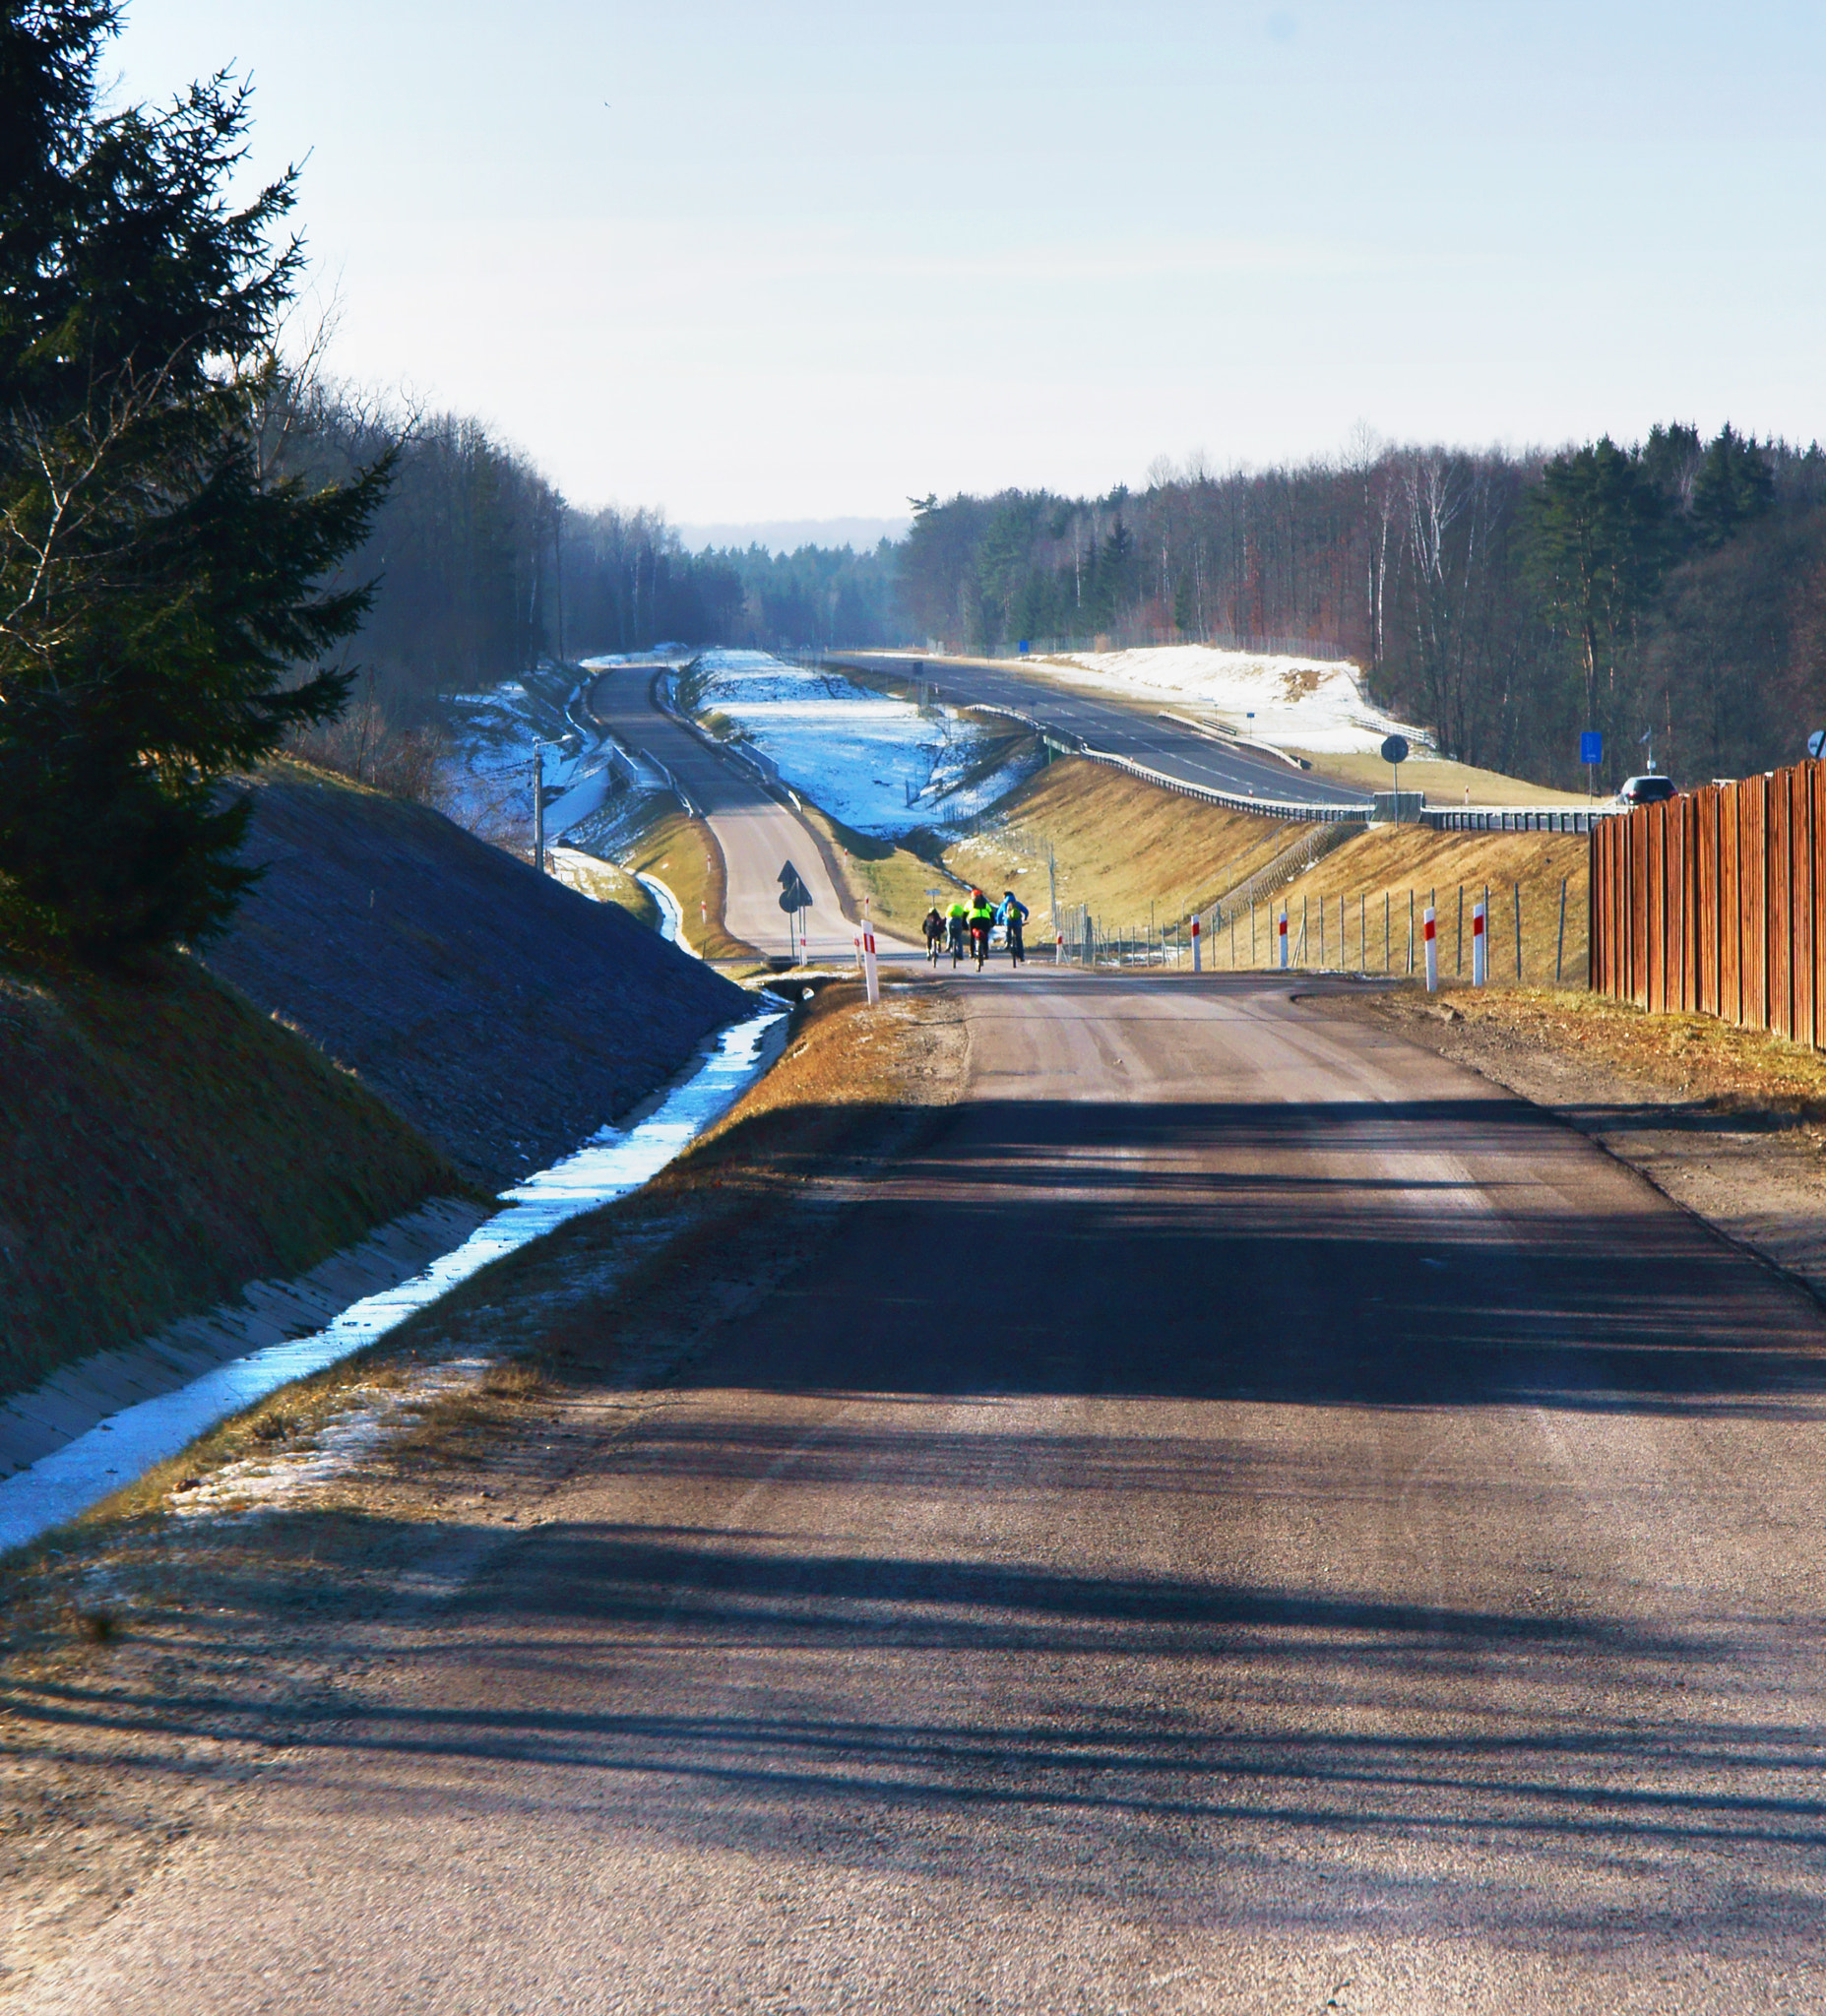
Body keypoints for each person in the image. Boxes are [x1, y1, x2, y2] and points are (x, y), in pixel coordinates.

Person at [997, 888, 1029, 966]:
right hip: (1018, 923)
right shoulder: (1017, 903)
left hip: (1008, 922)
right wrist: (1025, 918)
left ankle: (1007, 942)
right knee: (1018, 939)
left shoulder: (1004, 904)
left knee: (1008, 931)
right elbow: (1026, 911)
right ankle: (1021, 956)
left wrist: (998, 922)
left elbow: (999, 914)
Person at [967, 888, 996, 970]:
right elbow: (991, 914)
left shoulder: (970, 902)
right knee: (985, 936)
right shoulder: (986, 903)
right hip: (985, 920)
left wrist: (964, 926)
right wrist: (993, 923)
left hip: (973, 920)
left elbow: (965, 914)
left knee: (972, 937)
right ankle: (985, 953)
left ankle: (972, 953)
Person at [945, 894, 969, 967]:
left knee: (950, 934)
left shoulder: (949, 908)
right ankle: (960, 954)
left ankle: (948, 946)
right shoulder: (960, 909)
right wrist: (966, 928)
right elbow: (964, 919)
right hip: (958, 921)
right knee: (958, 938)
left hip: (950, 921)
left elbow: (946, 916)